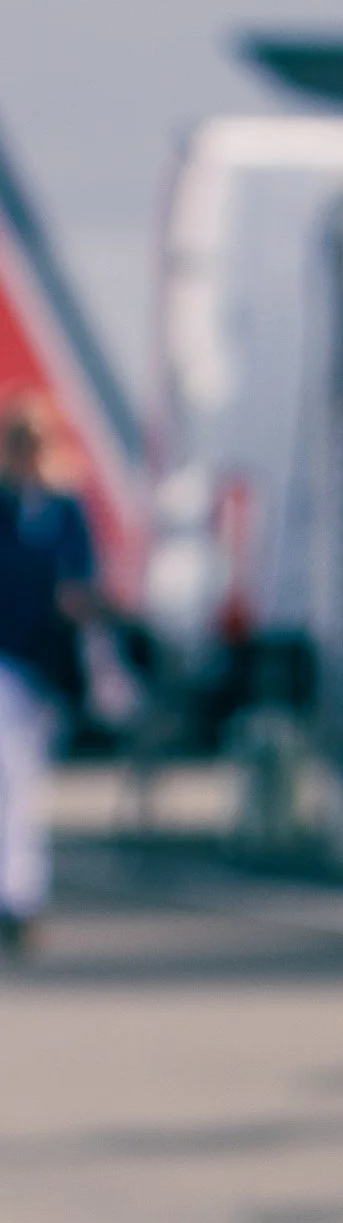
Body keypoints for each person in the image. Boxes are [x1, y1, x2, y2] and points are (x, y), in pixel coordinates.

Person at [0, 392, 99, 957]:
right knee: (12, 777)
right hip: (6, 656)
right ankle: (20, 896)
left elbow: (80, 582)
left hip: (48, 665)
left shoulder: (66, 510)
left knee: (26, 781)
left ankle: (20, 892)